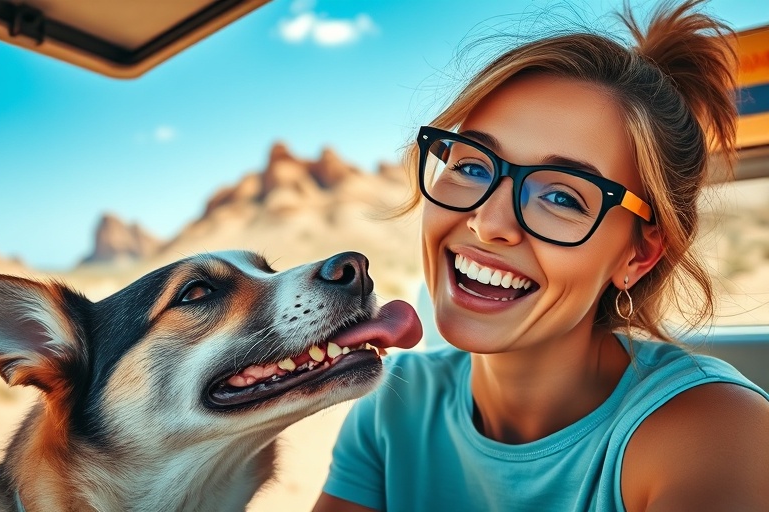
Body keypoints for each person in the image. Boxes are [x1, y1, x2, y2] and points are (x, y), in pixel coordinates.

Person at [312, 1, 769, 510]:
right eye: (471, 166)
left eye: (561, 197)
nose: (489, 222)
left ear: (637, 257)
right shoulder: (392, 409)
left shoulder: (716, 428)